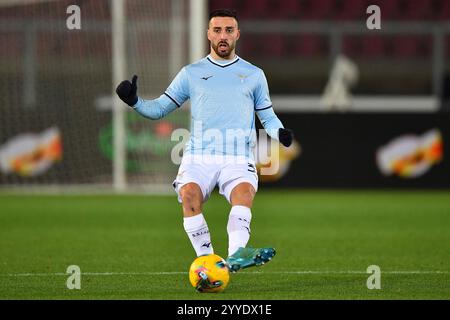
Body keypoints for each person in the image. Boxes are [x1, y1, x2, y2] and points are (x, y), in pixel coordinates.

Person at [116, 9, 293, 274]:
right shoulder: (191, 73)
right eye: (218, 30)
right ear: (208, 33)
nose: (223, 36)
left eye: (229, 30)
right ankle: (209, 263)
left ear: (237, 35)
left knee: (243, 195)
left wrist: (279, 133)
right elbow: (159, 109)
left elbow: (267, 116)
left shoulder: (254, 74)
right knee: (189, 196)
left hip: (238, 156)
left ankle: (236, 256)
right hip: (199, 155)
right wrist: (134, 102)